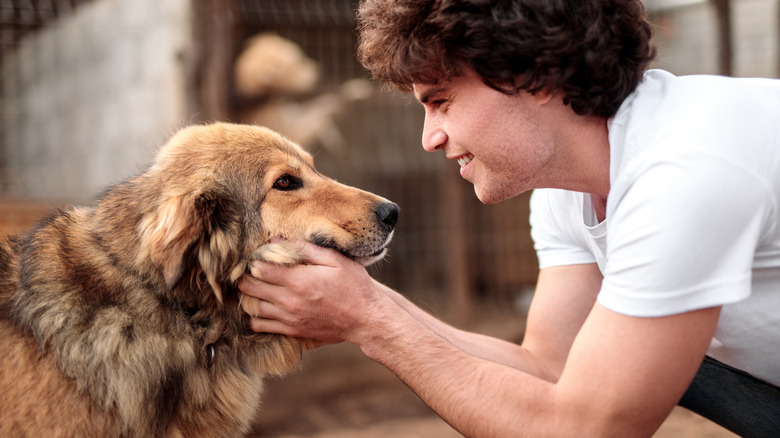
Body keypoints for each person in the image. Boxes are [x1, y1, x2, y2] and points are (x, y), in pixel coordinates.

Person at [238, 0, 780, 436]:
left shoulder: (686, 167)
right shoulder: (568, 184)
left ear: (532, 77)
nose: (430, 138)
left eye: (442, 101)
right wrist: (365, 301)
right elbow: (550, 369)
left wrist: (370, 321)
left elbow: (586, 429)